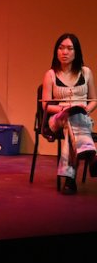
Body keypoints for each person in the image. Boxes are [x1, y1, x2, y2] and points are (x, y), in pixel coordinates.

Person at [41, 33, 97, 195]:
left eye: (69, 48)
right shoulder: (50, 75)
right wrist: (64, 110)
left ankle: (70, 179)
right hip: (56, 118)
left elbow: (94, 100)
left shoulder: (86, 72)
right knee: (72, 117)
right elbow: (45, 105)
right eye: (61, 48)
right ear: (56, 51)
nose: (64, 52)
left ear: (76, 52)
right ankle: (90, 153)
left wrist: (86, 109)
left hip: (81, 117)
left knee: (72, 125)